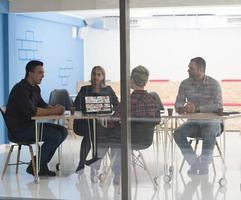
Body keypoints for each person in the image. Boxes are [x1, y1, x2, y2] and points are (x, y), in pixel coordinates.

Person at [91, 65, 161, 185]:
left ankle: (107, 169)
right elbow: (157, 120)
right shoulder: (153, 99)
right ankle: (108, 169)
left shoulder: (128, 100)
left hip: (126, 140)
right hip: (145, 140)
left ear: (132, 80)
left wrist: (101, 121)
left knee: (106, 133)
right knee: (117, 136)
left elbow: (113, 120)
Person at [5, 60, 68, 177]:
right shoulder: (20, 89)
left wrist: (55, 107)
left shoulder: (35, 88)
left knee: (63, 131)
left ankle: (40, 164)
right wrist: (53, 111)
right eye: (40, 73)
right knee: (55, 136)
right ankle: (35, 166)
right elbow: (32, 111)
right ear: (30, 73)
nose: (43, 76)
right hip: (19, 130)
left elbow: (43, 105)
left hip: (30, 126)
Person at [173, 57, 223, 175]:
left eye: (191, 68)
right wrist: (182, 108)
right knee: (177, 133)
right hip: (194, 123)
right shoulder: (184, 84)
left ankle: (204, 165)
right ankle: (195, 163)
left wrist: (198, 109)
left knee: (208, 131)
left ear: (201, 70)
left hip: (213, 122)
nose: (188, 70)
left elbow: (219, 106)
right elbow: (178, 103)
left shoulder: (214, 84)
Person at [74, 65, 119, 172]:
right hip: (85, 123)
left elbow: (117, 105)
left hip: (103, 123)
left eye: (99, 74)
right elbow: (76, 105)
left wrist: (107, 108)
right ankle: (86, 163)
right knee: (90, 132)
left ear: (103, 77)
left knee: (93, 133)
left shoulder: (108, 90)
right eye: (94, 74)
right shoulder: (84, 89)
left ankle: (90, 162)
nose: (96, 77)